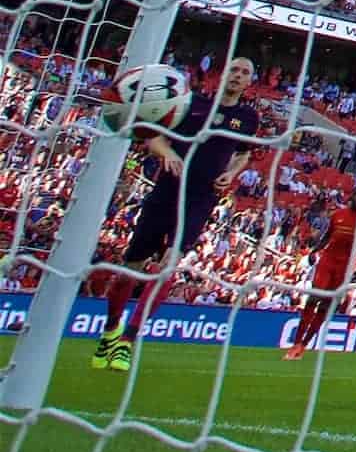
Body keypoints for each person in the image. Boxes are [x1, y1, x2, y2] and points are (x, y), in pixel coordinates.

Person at [92, 57, 259, 372]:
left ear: (249, 82)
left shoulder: (248, 118)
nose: (237, 76)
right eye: (233, 70)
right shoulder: (189, 102)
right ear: (221, 75)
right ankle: (110, 329)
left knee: (168, 264)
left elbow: (244, 154)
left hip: (201, 199)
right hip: (167, 191)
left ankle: (128, 340)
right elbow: (153, 135)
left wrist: (232, 174)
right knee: (133, 267)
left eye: (244, 73)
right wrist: (167, 153)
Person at [283, 193, 356, 360]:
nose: (355, 199)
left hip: (346, 265)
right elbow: (328, 236)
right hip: (328, 260)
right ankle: (295, 343)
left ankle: (304, 345)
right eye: (354, 195)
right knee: (314, 297)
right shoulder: (338, 214)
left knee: (326, 305)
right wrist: (315, 250)